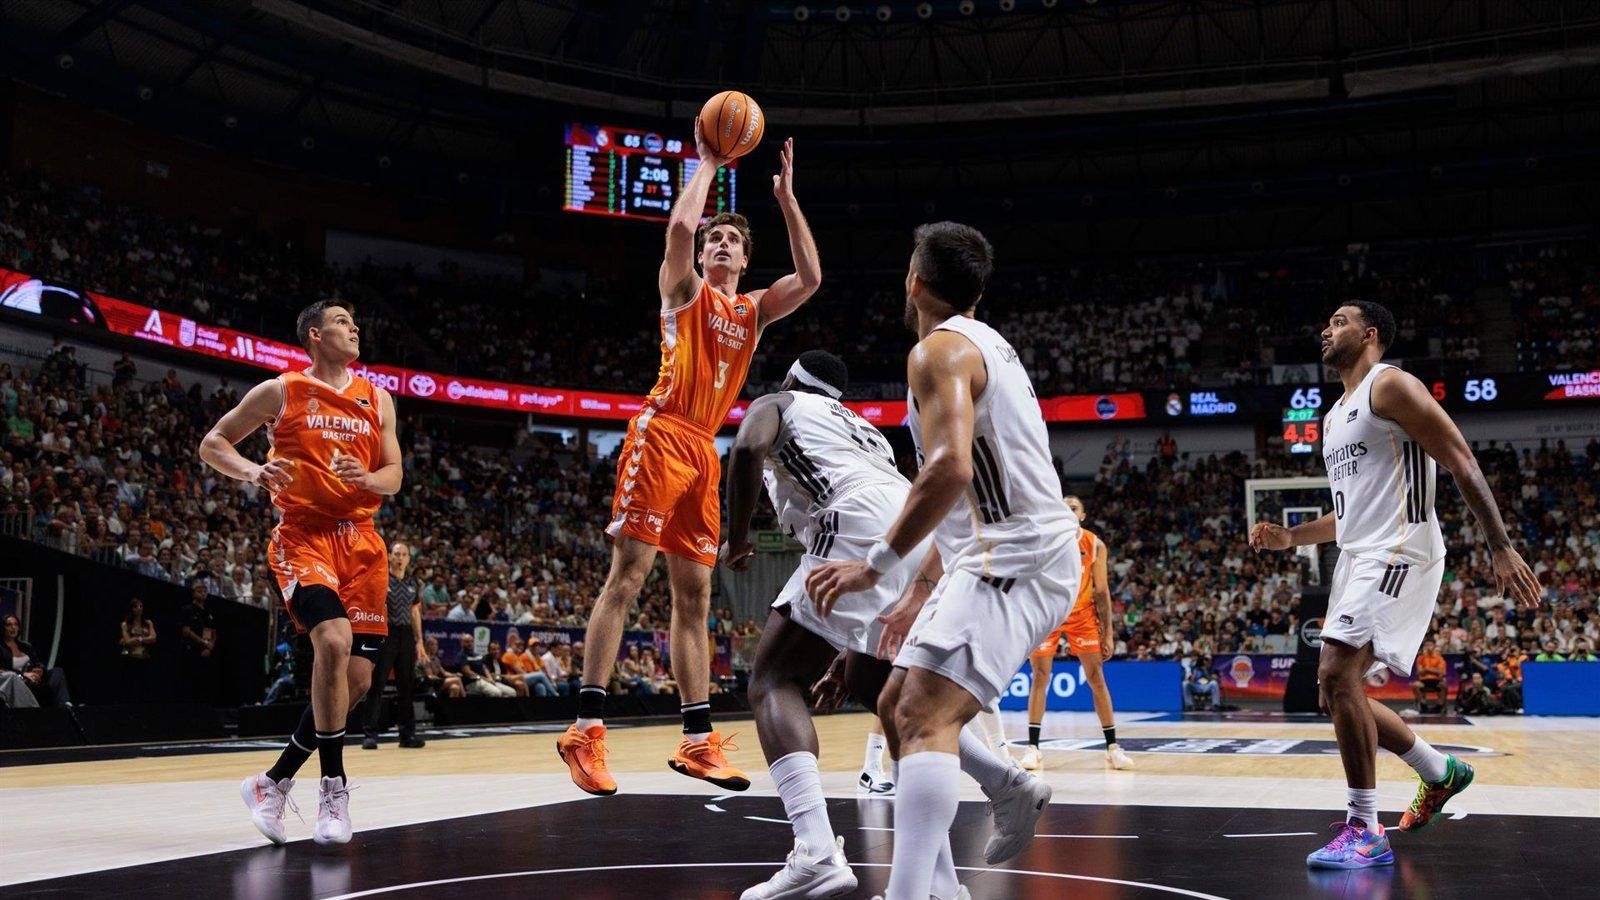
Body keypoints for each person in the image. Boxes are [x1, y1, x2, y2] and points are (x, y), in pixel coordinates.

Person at [807, 223, 1081, 900]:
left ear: (916, 283)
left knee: (925, 718)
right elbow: (964, 500)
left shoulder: (937, 352)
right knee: (895, 702)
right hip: (991, 552)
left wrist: (874, 566)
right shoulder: (986, 344)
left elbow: (950, 470)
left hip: (1018, 556)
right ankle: (966, 852)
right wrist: (915, 593)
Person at [557, 124, 821, 797]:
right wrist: (706, 164)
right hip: (661, 433)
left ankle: (697, 740)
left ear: (746, 258)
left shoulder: (753, 310)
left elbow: (811, 278)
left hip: (705, 448)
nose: (721, 243)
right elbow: (678, 228)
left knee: (695, 596)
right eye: (715, 239)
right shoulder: (684, 291)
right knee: (627, 577)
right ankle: (585, 729)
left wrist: (787, 200)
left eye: (732, 239)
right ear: (703, 254)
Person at [730, 347, 1046, 900]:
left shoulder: (777, 403)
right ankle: (997, 790)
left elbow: (746, 448)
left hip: (854, 522)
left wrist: (736, 538)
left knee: (773, 681)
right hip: (912, 533)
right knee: (882, 691)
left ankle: (815, 851)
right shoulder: (865, 431)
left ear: (790, 381)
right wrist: (846, 651)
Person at [1249, 300, 1541, 870]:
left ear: (1371, 334)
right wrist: (1292, 538)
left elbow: (1461, 461)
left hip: (1402, 548)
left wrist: (1500, 543)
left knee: (1337, 673)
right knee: (1334, 692)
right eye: (1327, 321)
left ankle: (1365, 828)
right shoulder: (1334, 417)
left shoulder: (1391, 385)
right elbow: (1349, 515)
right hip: (1359, 553)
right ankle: (1440, 771)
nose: (1326, 329)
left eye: (1339, 321)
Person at [202, 300, 403, 846]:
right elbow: (213, 443)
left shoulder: (377, 398)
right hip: (304, 535)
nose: (354, 328)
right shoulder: (282, 390)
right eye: (341, 322)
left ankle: (271, 782)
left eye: (355, 322)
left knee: (356, 682)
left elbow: (394, 475)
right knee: (332, 642)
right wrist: (253, 470)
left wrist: (368, 478)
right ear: (314, 334)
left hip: (362, 543)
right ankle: (333, 788)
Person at [1020, 495, 1132, 772]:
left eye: (1073, 508)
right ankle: (1033, 748)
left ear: (1082, 515)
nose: (1067, 511)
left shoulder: (1095, 544)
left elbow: (1102, 592)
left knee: (1096, 678)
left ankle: (1112, 748)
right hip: (1049, 613)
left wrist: (1108, 634)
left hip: (1082, 615)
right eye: (1063, 507)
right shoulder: (1043, 539)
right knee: (1040, 677)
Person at [361, 541, 426, 750]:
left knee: (406, 686)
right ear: (389, 556)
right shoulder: (381, 578)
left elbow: (415, 613)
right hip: (385, 632)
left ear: (408, 559)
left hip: (406, 635)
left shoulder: (414, 583)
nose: (400, 558)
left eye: (404, 554)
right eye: (397, 554)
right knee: (377, 684)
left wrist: (420, 641)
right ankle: (370, 735)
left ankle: (407, 736)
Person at [3, 613, 71, 707]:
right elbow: (3, 671)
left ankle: (65, 705)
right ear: (3, 628)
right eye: (9, 625)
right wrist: (23, 674)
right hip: (18, 681)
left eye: (16, 624)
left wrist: (39, 670)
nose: (13, 627)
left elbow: (37, 663)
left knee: (57, 671)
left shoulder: (25, 646)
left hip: (34, 678)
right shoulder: (1, 648)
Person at [178, 581, 218, 704]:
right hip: (191, 650)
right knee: (189, 681)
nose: (203, 593)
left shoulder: (208, 612)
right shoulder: (187, 609)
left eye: (205, 591)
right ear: (193, 593)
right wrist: (203, 643)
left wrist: (209, 646)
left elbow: (212, 631)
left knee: (204, 682)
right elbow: (186, 631)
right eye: (199, 591)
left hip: (205, 652)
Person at [119, 597, 157, 703]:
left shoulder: (148, 623)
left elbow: (154, 638)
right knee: (129, 687)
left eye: (141, 606)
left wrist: (138, 639)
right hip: (129, 657)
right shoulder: (126, 624)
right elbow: (127, 641)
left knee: (144, 687)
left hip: (144, 658)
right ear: (132, 609)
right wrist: (145, 638)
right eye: (136, 606)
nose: (139, 608)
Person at [1412, 639, 1448, 709]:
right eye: (1426, 645)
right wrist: (1434, 671)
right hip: (1423, 681)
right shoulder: (1420, 658)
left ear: (1434, 646)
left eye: (1430, 645)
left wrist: (1426, 669)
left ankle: (1440, 705)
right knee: (1415, 685)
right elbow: (1419, 672)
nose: (1428, 647)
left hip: (1437, 681)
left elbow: (1441, 672)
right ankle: (1422, 704)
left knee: (1444, 685)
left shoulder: (1439, 658)